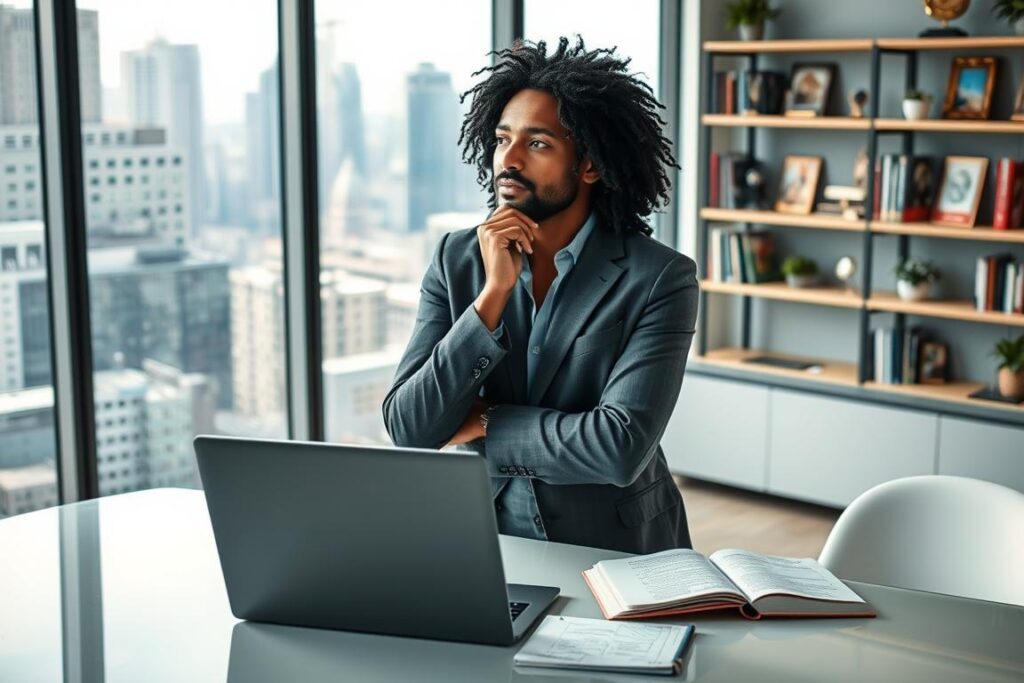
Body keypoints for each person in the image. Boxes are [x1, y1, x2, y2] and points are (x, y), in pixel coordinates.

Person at [382, 37, 699, 554]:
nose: (508, 160)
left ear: (590, 165)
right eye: (502, 138)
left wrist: (485, 422)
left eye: (537, 144)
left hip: (613, 549)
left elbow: (619, 448)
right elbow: (410, 427)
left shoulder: (661, 278)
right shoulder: (455, 259)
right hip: (481, 541)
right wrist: (492, 297)